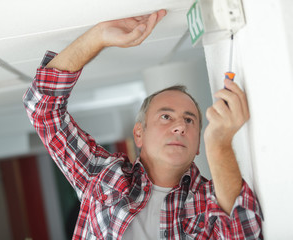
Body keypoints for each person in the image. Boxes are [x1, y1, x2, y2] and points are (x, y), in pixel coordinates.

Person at [23, 9, 263, 239]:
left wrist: (219, 145)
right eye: (166, 116)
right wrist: (98, 36)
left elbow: (244, 234)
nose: (180, 126)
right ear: (139, 134)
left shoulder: (209, 202)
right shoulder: (104, 177)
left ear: (199, 144)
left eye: (190, 120)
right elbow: (42, 109)